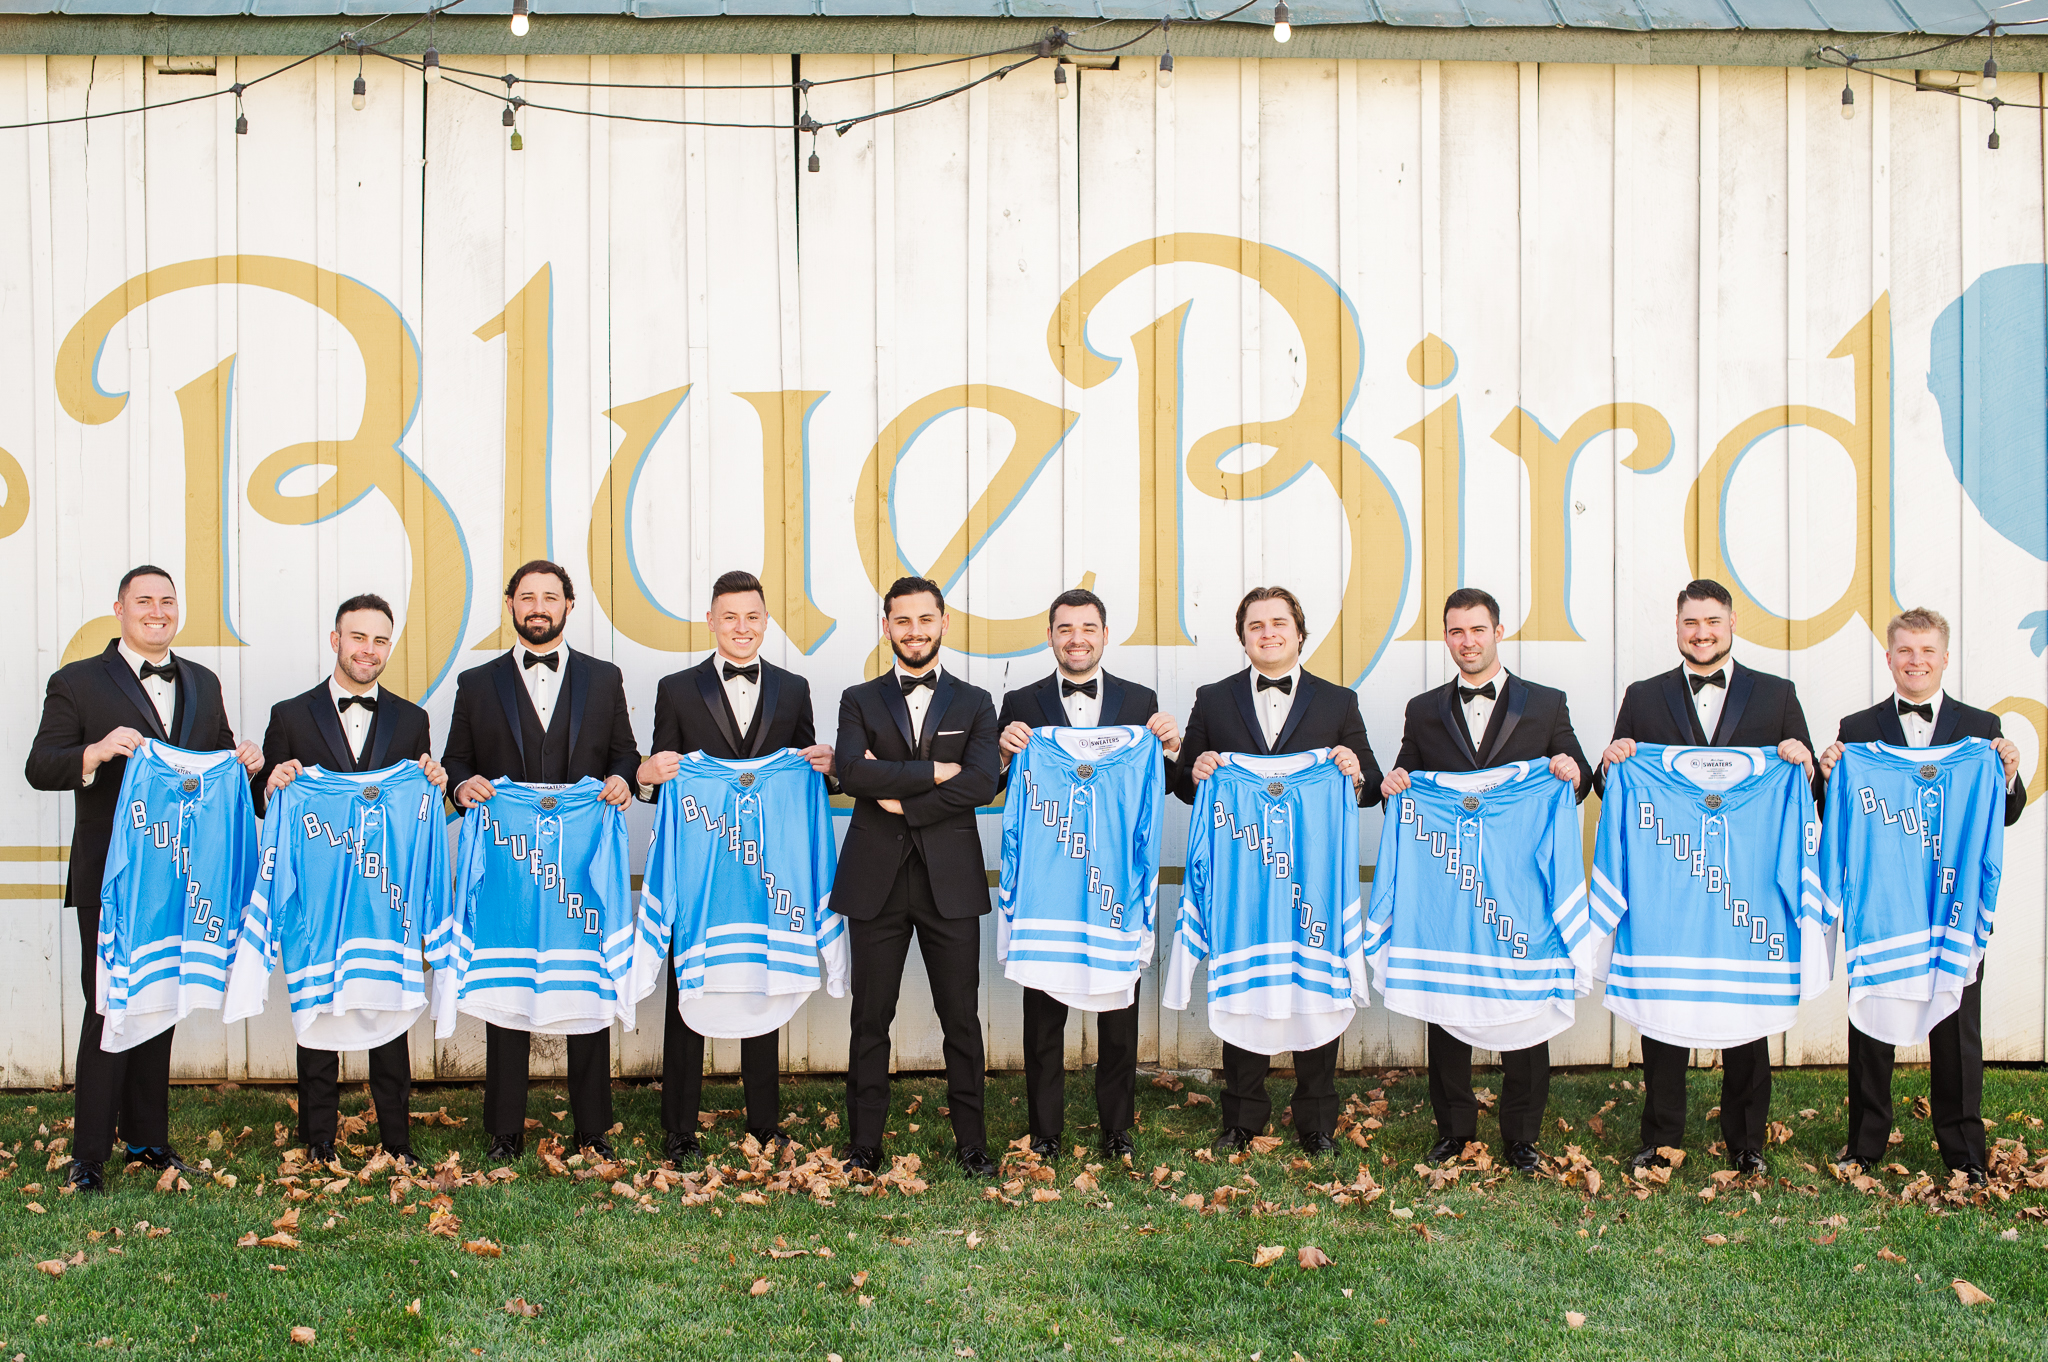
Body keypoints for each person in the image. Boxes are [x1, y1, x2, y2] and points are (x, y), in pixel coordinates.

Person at [25, 566, 262, 1192]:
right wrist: (95, 752)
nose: (156, 611)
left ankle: (149, 1141)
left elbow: (219, 763)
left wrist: (249, 765)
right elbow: (39, 765)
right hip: (114, 876)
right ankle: (88, 1154)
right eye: (143, 601)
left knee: (162, 999)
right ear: (120, 609)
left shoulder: (204, 683)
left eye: (166, 600)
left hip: (184, 876)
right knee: (107, 1004)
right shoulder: (76, 682)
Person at [1599, 578, 1814, 1175]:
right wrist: (1609, 761)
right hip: (1670, 882)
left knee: (1746, 1013)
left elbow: (1809, 792)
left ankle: (1747, 1142)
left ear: (1731, 623)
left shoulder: (1776, 694)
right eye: (1691, 623)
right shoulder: (1644, 696)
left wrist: (1801, 760)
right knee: (1662, 1010)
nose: (1702, 633)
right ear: (1676, 628)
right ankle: (1661, 1136)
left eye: (1712, 622)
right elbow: (1614, 783)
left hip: (1747, 890)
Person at [1380, 587, 1591, 1173]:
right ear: (1445, 638)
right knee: (1446, 1007)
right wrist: (1396, 782)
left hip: (1521, 887)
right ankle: (1453, 1131)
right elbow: (1406, 776)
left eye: (1476, 629)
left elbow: (1580, 776)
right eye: (1455, 632)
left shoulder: (1546, 704)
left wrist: (1571, 772)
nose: (1466, 642)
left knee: (1525, 1005)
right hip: (1449, 887)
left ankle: (1522, 1135)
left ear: (1498, 632)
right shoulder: (1423, 710)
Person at [1816, 606, 2026, 1186]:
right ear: (1889, 658)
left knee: (1958, 1027)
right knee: (1873, 1026)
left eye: (1927, 651)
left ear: (1945, 658)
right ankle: (1864, 1145)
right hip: (1883, 908)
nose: (1916, 661)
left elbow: (2002, 814)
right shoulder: (1857, 730)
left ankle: (1963, 1150)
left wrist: (2006, 773)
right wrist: (1827, 773)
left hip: (1950, 905)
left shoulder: (1982, 730)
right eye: (1905, 651)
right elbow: (1833, 813)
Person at [634, 570, 836, 1164]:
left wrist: (825, 765)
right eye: (730, 617)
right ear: (712, 621)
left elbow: (800, 778)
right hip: (702, 868)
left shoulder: (794, 688)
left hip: (766, 869)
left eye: (752, 617)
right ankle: (678, 1128)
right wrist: (648, 776)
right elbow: (659, 777)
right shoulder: (676, 688)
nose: (741, 628)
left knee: (762, 982)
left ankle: (765, 1124)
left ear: (766, 621)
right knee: (684, 988)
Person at [441, 560, 639, 1162]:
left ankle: (593, 1128)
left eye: (549, 597)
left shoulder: (604, 678)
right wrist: (461, 786)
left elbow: (625, 753)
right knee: (507, 985)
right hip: (508, 857)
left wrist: (621, 779)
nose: (538, 607)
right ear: (509, 605)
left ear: (569, 606)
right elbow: (455, 760)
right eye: (527, 597)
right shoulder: (477, 683)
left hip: (580, 862)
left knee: (588, 985)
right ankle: (505, 1128)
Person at [1175, 585, 1383, 1155]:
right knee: (1246, 989)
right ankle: (1242, 1120)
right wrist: (1197, 766)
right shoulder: (1213, 700)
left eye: (1279, 623)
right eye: (1256, 625)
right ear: (1243, 636)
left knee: (1314, 990)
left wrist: (1353, 768)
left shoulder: (1338, 702)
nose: (1268, 633)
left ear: (1299, 631)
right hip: (1244, 880)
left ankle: (1316, 1123)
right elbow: (1182, 783)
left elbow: (1369, 783)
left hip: (1310, 879)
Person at [252, 594, 447, 1169]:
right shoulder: (289, 715)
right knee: (316, 1015)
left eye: (380, 639)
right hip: (319, 895)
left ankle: (397, 1142)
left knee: (388, 1013)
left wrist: (435, 780)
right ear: (334, 640)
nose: (369, 649)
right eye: (358, 637)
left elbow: (420, 811)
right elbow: (268, 808)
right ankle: (317, 1143)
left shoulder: (413, 719)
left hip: (385, 896)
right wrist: (271, 781)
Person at [995, 587, 1182, 1163]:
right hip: (1049, 881)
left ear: (1105, 634)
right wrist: (1003, 755)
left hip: (1114, 883)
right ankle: (1045, 1132)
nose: (1076, 639)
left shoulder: (1139, 700)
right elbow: (998, 785)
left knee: (1119, 1010)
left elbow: (1163, 786)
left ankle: (1116, 1129)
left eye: (1087, 628)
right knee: (1043, 1010)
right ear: (1050, 635)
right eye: (1065, 629)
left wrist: (1172, 748)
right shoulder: (1020, 701)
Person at [833, 576, 1001, 1179]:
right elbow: (852, 772)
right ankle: (865, 1145)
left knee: (961, 1016)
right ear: (887, 627)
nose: (914, 631)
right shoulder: (858, 699)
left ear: (943, 623)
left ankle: (973, 1143)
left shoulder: (977, 701)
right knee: (870, 1015)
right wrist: (932, 773)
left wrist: (902, 796)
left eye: (924, 620)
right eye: (902, 621)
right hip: (874, 877)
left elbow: (983, 782)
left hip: (949, 880)